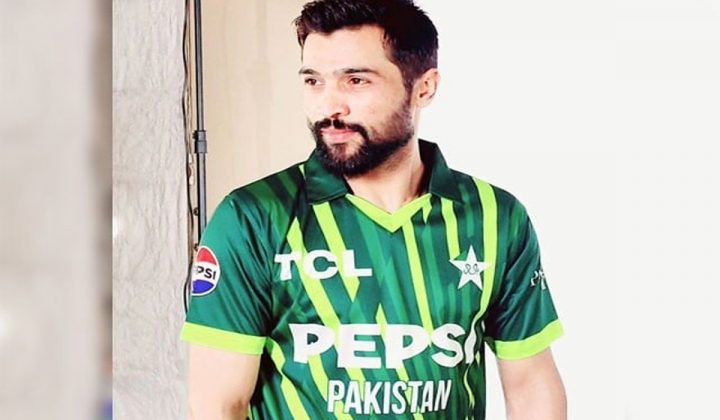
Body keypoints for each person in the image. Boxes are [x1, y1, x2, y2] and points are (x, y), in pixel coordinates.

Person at [181, 0, 566, 418]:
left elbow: (530, 383)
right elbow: (218, 404)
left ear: (424, 88)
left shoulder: (495, 217)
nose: (329, 107)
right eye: (313, 81)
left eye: (356, 81)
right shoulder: (253, 217)